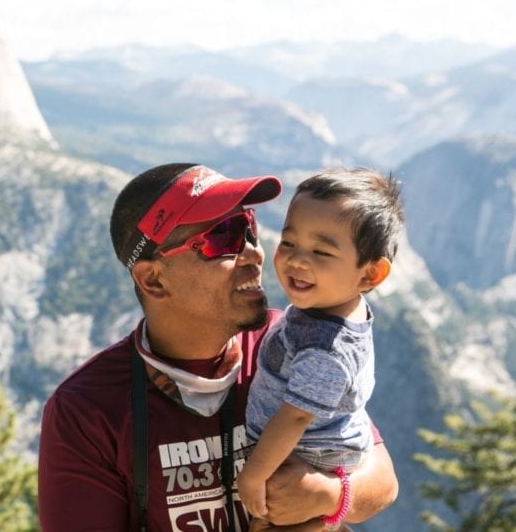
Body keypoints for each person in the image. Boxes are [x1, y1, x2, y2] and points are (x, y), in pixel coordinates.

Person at [38, 163, 399, 532]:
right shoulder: (86, 412)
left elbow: (383, 481)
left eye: (249, 228)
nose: (254, 253)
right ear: (153, 279)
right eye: (223, 237)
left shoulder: (290, 341)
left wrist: (332, 495)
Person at [236, 168, 404, 532]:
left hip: (308, 456)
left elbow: (295, 417)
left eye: (321, 252)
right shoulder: (333, 308)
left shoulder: (325, 347)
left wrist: (254, 475)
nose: (297, 261)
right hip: (317, 451)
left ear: (370, 275)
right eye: (289, 243)